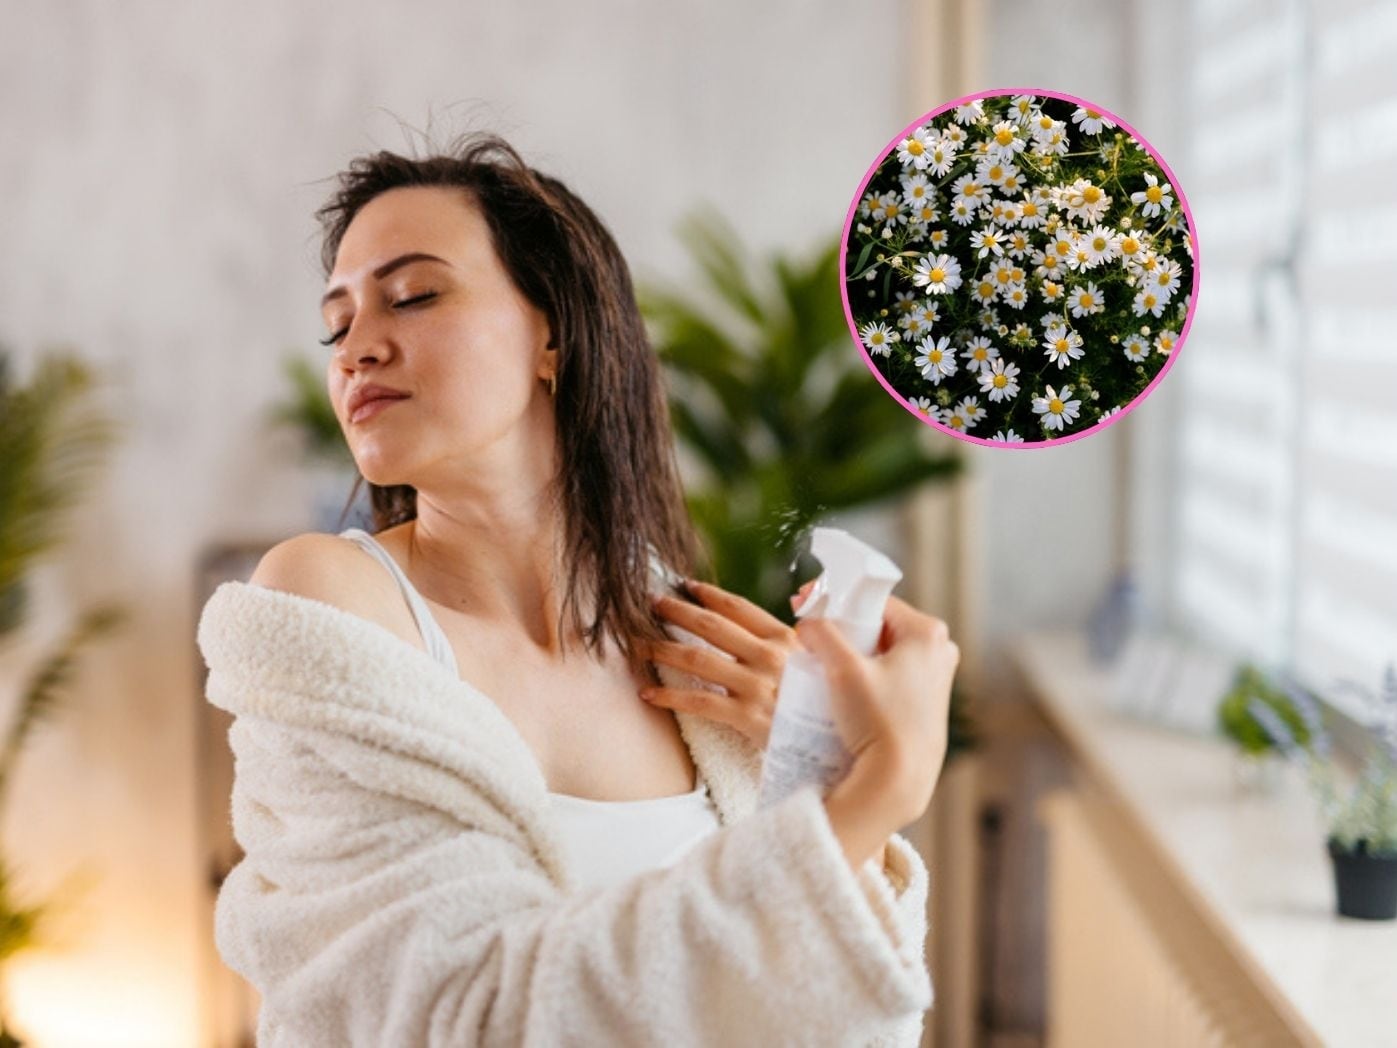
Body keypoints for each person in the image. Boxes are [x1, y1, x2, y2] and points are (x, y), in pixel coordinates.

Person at [197, 132, 959, 1046]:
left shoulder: (682, 634)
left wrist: (815, 777)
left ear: (551, 333)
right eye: (338, 322)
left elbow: (839, 1021)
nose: (356, 347)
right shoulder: (331, 603)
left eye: (411, 295)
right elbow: (467, 1017)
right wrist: (880, 788)